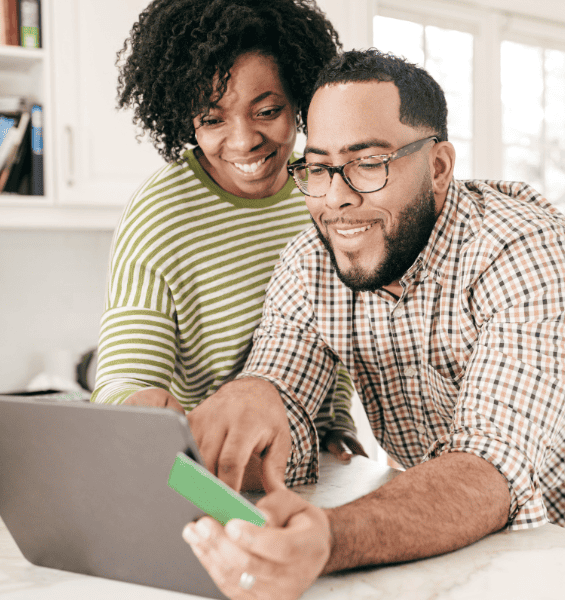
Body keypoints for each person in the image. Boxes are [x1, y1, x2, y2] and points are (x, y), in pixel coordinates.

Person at [182, 48, 565, 599]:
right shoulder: (311, 262)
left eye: (367, 163)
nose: (336, 199)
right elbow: (274, 400)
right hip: (463, 560)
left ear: (438, 168)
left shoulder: (521, 250)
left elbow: (489, 468)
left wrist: (329, 540)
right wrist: (235, 415)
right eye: (317, 168)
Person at [90, 0, 366, 488]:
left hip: (311, 466)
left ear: (300, 98)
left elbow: (336, 322)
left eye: (267, 111)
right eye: (212, 119)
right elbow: (124, 373)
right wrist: (133, 402)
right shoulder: (161, 213)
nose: (243, 142)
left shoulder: (324, 188)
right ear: (182, 116)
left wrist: (338, 421)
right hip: (213, 472)